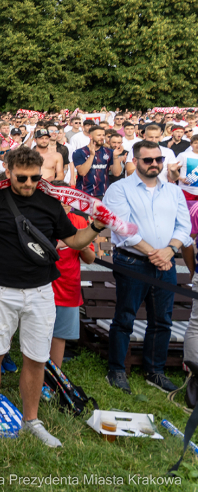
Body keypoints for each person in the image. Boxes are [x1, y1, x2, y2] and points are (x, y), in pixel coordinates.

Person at [0, 145, 107, 448]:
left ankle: (31, 420)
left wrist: (97, 225)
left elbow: (73, 240)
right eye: (22, 178)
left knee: (36, 359)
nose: (28, 184)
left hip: (40, 292)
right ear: (8, 172)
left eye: (34, 178)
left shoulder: (50, 203)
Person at [102, 139, 194, 393]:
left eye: (159, 159)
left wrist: (169, 250)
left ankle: (155, 371)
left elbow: (184, 226)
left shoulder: (174, 191)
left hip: (165, 262)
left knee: (162, 319)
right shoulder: (120, 190)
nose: (155, 164)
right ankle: (117, 370)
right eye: (148, 160)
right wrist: (156, 252)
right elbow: (122, 227)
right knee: (125, 317)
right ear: (135, 161)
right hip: (132, 260)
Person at [49, 181, 96, 368]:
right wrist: (58, 244)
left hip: (69, 286)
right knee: (40, 335)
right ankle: (37, 377)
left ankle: (55, 378)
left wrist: (84, 248)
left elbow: (90, 259)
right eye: (60, 199)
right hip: (44, 286)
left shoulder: (80, 222)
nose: (66, 203)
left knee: (59, 336)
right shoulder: (42, 220)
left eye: (69, 199)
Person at [72, 125, 113, 198]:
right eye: (99, 135)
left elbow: (116, 173)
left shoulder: (109, 152)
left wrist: (116, 158)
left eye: (103, 135)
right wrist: (91, 155)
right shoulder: (79, 152)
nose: (102, 137)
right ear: (90, 136)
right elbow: (82, 172)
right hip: (83, 193)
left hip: (103, 193)